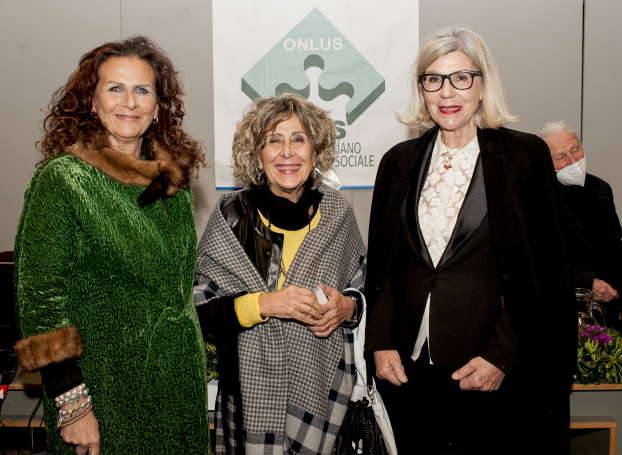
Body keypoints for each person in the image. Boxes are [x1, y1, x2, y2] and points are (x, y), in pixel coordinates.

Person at [365, 26, 576, 454]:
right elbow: (385, 266)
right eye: (434, 79)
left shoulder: (523, 158)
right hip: (410, 372)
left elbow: (546, 271)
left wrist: (502, 355)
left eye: (461, 77)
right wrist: (381, 342)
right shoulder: (398, 162)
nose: (447, 92)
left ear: (482, 86)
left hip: (492, 370)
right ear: (421, 89)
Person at [13, 36, 210, 454]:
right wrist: (73, 405)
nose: (130, 102)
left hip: (177, 393)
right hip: (104, 396)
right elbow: (40, 301)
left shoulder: (172, 188)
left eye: (143, 90)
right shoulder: (64, 180)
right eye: (115, 88)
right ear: (92, 100)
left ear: (158, 107)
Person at [194, 94, 366, 454]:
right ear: (258, 154)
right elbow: (200, 310)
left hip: (322, 392)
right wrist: (264, 304)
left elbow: (365, 291)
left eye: (298, 139)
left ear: (315, 151)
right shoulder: (232, 216)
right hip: (248, 399)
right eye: (274, 140)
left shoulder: (338, 214)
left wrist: (348, 308)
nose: (287, 153)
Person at [540, 121, 622, 329]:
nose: (573, 161)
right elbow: (541, 257)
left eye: (575, 149)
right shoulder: (537, 198)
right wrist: (587, 282)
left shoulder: (601, 188)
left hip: (608, 302)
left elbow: (614, 246)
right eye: (561, 157)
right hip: (561, 302)